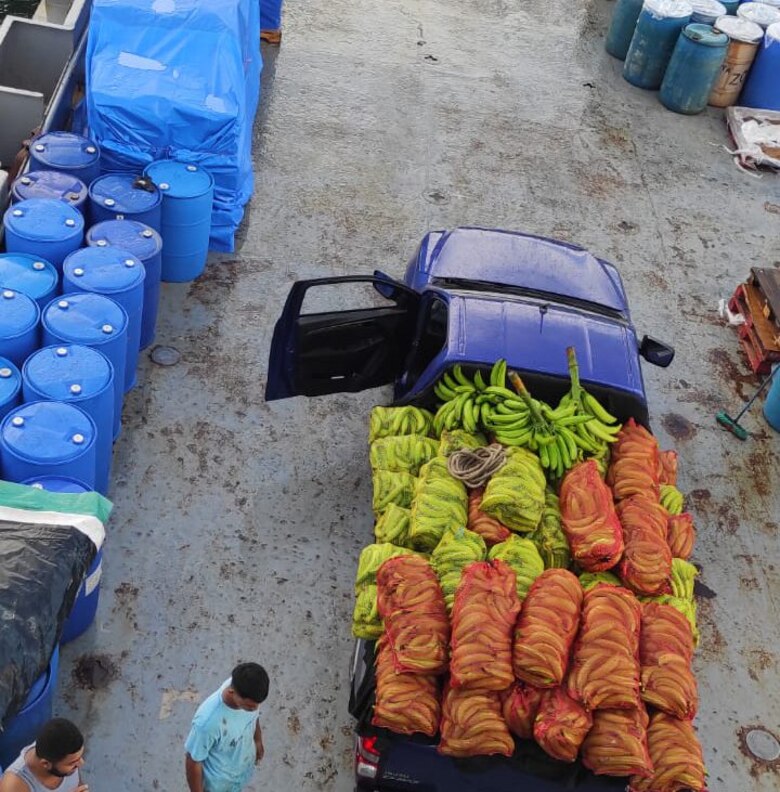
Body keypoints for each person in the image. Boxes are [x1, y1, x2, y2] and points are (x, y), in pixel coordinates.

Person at [185, 663, 269, 792]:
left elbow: (254, 716)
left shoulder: (249, 690)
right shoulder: (207, 722)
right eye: (249, 707)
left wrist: (258, 738)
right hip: (216, 785)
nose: (255, 709)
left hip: (238, 775)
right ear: (232, 692)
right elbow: (193, 761)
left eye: (257, 705)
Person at [0, 718, 87, 792]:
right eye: (72, 763)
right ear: (46, 764)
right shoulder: (13, 786)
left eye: (80, 757)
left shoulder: (63, 752)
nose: (81, 763)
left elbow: (77, 783)